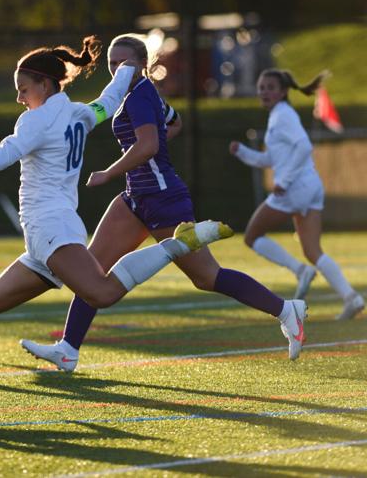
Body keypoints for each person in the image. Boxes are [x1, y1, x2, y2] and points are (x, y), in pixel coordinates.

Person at [0, 36, 234, 395]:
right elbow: (108, 101)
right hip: (45, 237)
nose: (19, 98)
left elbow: (4, 154)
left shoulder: (37, 121)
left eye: (23, 89)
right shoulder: (81, 112)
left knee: (102, 294)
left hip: (51, 228)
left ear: (45, 84)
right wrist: (126, 70)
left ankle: (177, 245)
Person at [20, 34, 309, 372]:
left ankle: (286, 310)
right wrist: (148, 146)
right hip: (136, 197)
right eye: (112, 63)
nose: (117, 69)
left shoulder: (140, 94)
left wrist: (108, 173)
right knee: (92, 270)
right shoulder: (140, 93)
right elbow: (175, 122)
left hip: (162, 198)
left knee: (206, 277)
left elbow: (148, 147)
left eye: (124, 63)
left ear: (142, 65)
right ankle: (69, 348)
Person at [229, 68, 364, 320]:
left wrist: (284, 179)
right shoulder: (279, 116)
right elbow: (270, 158)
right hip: (310, 187)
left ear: (282, 92)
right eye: (261, 87)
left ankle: (300, 271)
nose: (264, 92)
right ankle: (351, 297)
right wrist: (243, 153)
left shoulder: (283, 115)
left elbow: (304, 146)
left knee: (252, 235)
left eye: (270, 87)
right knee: (314, 251)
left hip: (296, 187)